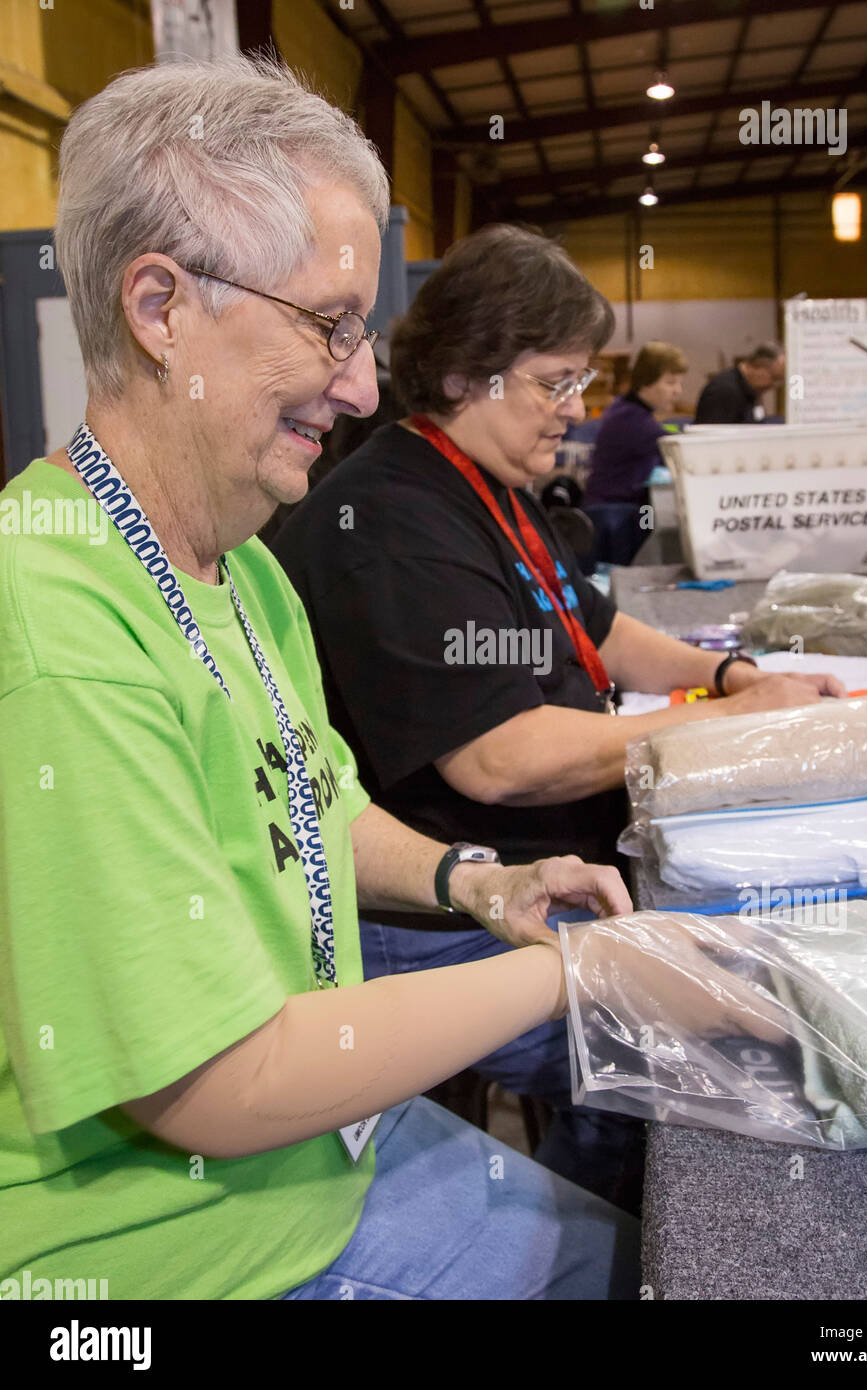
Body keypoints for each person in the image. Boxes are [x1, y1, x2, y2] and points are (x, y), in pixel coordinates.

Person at [0, 54, 718, 1304]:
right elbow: (215, 1085)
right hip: (182, 1255)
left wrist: (472, 879)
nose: (361, 382)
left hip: (317, 1157)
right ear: (160, 308)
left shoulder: (241, 566)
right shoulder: (55, 623)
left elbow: (313, 798)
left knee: (649, 1247)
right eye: (326, 323)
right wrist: (575, 970)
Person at [269, 227, 846, 1217]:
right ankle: (600, 1237)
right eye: (553, 383)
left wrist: (728, 674)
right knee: (708, 1046)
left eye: (580, 381)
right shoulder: (394, 524)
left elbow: (599, 625)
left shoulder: (492, 483)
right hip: (446, 910)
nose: (574, 411)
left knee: (772, 976)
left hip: (551, 872)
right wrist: (723, 731)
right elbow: (502, 761)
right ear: (463, 376)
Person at [583, 341, 688, 507]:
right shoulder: (632, 420)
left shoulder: (623, 408)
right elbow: (679, 452)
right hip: (613, 514)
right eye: (670, 382)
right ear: (646, 382)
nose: (678, 391)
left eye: (679, 383)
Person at [694, 341, 785, 424]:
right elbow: (710, 436)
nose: (774, 385)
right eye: (774, 378)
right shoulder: (723, 390)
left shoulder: (751, 390)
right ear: (759, 366)